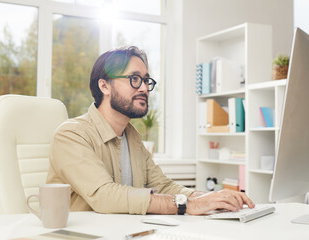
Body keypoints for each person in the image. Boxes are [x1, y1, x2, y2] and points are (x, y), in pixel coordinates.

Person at [46, 46, 254, 215]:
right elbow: (104, 196)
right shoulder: (72, 135)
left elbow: (162, 186)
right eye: (134, 79)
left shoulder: (132, 137)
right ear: (104, 86)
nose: (144, 88)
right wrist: (188, 205)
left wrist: (210, 199)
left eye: (146, 80)